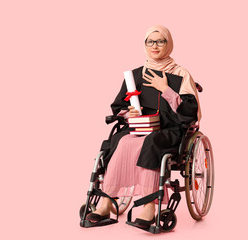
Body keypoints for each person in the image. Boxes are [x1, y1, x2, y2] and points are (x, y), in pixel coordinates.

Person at [86, 25, 201, 228]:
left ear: (169, 44)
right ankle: (105, 201)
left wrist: (165, 89)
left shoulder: (181, 74)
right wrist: (127, 112)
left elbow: (189, 113)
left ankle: (149, 206)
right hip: (139, 126)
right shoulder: (136, 75)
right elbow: (118, 106)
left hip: (170, 129)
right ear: (144, 45)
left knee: (151, 142)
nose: (154, 46)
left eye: (160, 41)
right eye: (150, 41)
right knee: (120, 142)